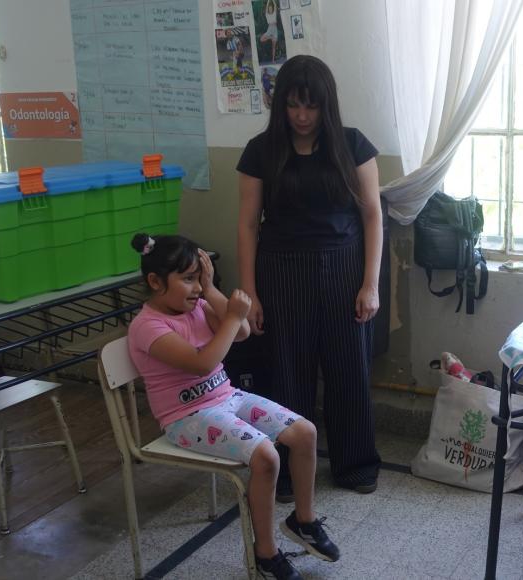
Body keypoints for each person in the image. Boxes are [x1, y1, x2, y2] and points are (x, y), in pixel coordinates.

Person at [126, 233, 341, 580]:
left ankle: (303, 521)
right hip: (187, 418)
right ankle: (266, 554)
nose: (196, 288)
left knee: (305, 433)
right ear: (154, 281)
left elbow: (240, 332)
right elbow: (201, 362)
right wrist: (230, 316)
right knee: (266, 457)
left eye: (200, 277)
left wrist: (212, 292)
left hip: (226, 398)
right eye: (188, 279)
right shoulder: (148, 327)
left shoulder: (196, 304)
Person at [236, 55, 383, 501]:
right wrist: (250, 295)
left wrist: (370, 284)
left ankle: (355, 465)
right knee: (285, 374)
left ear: (326, 106)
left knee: (347, 371)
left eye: (311, 107)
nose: (302, 117)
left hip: (342, 269)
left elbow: (373, 216)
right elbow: (247, 225)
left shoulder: (353, 145)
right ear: (280, 105)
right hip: (280, 271)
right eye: (293, 106)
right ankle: (285, 471)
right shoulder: (260, 151)